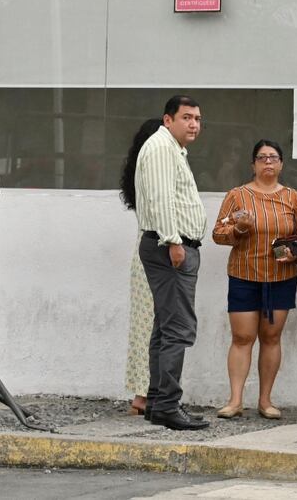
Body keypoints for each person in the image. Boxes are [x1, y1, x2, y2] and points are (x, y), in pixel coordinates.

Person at [211, 140, 297, 420]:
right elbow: (218, 233)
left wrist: (296, 253)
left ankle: (266, 400)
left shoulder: (293, 198)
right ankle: (234, 400)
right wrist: (239, 229)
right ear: (253, 164)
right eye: (262, 158)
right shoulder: (237, 195)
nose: (268, 162)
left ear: (281, 164)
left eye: (273, 157)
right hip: (244, 275)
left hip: (281, 277)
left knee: (272, 337)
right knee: (242, 337)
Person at [134, 95, 209, 431]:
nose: (193, 124)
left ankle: (157, 400)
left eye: (197, 118)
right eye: (186, 117)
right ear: (168, 120)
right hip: (170, 246)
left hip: (169, 244)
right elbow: (161, 197)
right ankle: (166, 405)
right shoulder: (162, 146)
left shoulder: (171, 147)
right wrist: (174, 241)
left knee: (165, 327)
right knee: (178, 328)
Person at [119, 118, 164, 416]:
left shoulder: (138, 171)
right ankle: (147, 393)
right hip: (157, 254)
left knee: (144, 324)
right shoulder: (154, 172)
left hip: (141, 254)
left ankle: (142, 391)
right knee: (155, 326)